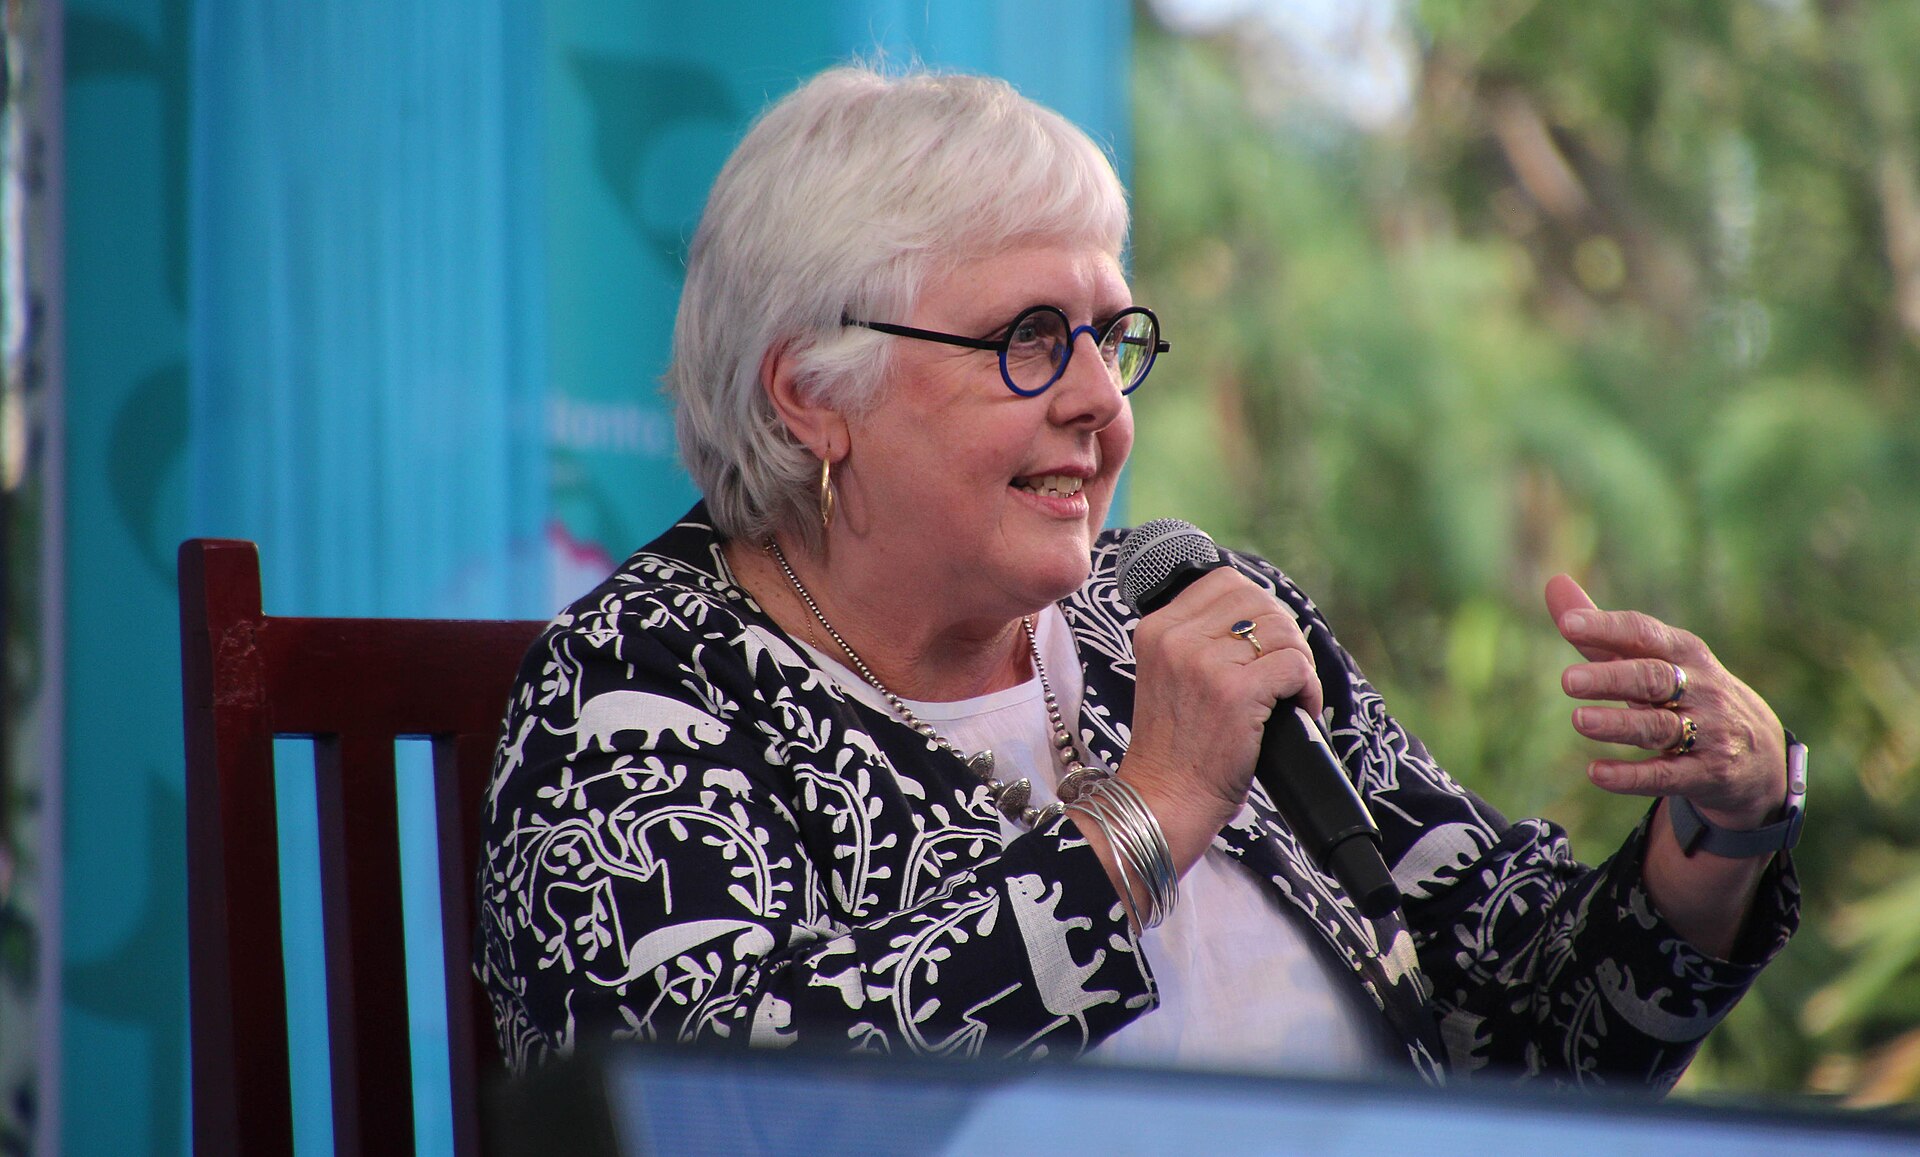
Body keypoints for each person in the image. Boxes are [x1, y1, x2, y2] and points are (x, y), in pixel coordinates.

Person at [474, 66, 1799, 1087]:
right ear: (813, 392)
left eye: (1113, 338)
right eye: (1033, 339)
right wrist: (1146, 813)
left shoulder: (1172, 607)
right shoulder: (637, 689)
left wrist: (1717, 835)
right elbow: (699, 1105)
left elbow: (1520, 1030)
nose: (1104, 402)